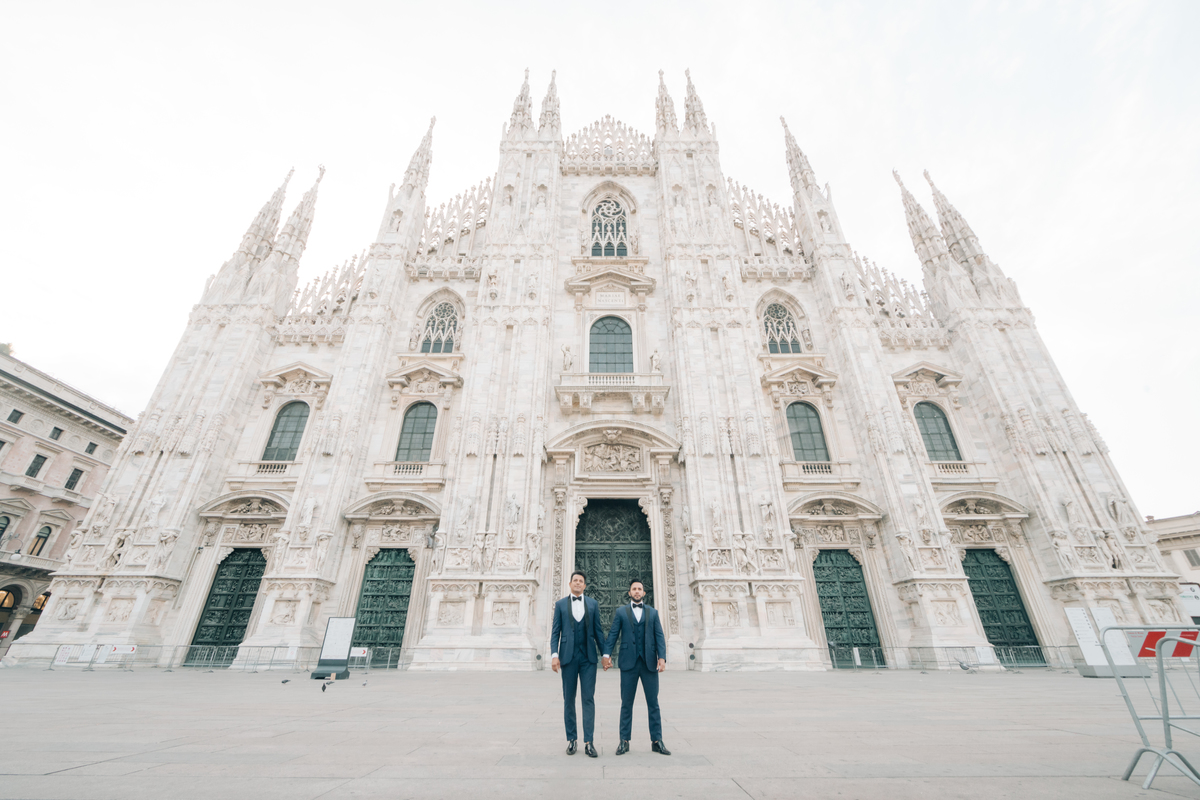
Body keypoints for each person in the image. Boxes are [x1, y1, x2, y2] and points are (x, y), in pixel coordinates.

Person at [603, 578, 670, 755]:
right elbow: (613, 635)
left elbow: (659, 636)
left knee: (653, 703)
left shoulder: (653, 613)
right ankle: (624, 741)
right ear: (629, 592)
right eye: (634, 589)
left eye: (640, 589)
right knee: (626, 703)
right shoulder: (621, 612)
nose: (637, 591)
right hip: (628, 663)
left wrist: (662, 657)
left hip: (649, 663)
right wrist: (606, 654)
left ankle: (657, 741)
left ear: (644, 593)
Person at [550, 571, 605, 758]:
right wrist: (554, 655)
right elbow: (555, 632)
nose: (578, 583)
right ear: (569, 583)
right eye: (575, 581)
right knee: (569, 699)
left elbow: (598, 630)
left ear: (585, 585)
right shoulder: (560, 605)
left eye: (581, 581)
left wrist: (605, 654)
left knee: (588, 699)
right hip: (567, 657)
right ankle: (572, 739)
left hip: (588, 658)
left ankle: (589, 741)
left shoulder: (593, 604)